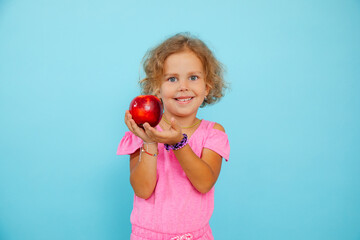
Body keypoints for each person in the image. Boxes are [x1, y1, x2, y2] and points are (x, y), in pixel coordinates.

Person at [117, 33, 230, 240]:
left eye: (193, 77)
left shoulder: (213, 133)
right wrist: (150, 141)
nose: (183, 86)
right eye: (172, 78)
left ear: (207, 87)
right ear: (157, 89)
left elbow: (204, 183)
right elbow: (143, 190)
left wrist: (179, 143)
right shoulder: (143, 131)